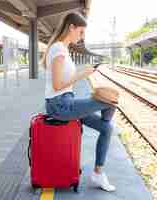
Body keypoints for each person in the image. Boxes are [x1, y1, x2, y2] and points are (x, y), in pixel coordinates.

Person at [43, 12, 117, 192]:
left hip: (66, 102)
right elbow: (57, 84)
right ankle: (105, 119)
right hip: (59, 105)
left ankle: (98, 174)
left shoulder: (63, 49)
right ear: (71, 28)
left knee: (107, 128)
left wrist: (81, 71)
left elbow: (63, 80)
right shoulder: (58, 49)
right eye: (81, 32)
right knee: (110, 101)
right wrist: (81, 75)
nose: (82, 36)